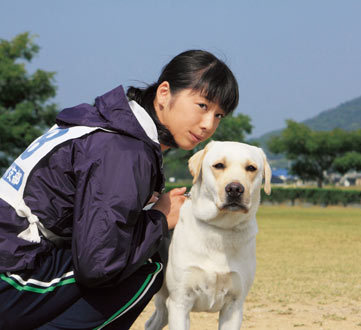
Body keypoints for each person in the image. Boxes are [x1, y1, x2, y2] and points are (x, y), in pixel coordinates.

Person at [0, 49, 239, 329]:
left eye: (219, 114)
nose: (209, 124)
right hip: (11, 278)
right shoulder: (125, 149)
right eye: (202, 105)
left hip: (16, 263)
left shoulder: (111, 127)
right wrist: (160, 219)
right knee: (147, 267)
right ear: (164, 93)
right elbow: (98, 265)